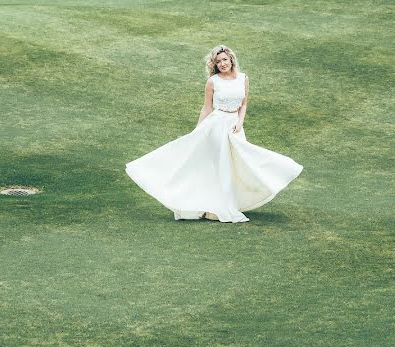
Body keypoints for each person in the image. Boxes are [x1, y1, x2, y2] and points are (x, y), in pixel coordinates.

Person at [125, 45, 302, 222]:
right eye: (218, 62)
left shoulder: (243, 79)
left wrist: (240, 122)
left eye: (225, 59)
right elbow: (207, 108)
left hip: (235, 127)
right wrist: (197, 131)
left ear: (231, 59)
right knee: (220, 166)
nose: (222, 64)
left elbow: (244, 104)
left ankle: (227, 203)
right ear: (214, 65)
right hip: (216, 126)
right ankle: (216, 207)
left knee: (239, 163)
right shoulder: (213, 82)